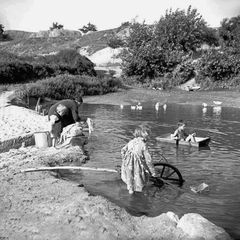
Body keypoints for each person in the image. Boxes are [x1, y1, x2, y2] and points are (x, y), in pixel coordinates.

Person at [121, 125, 157, 194]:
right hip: (138, 167)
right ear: (143, 134)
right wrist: (153, 172)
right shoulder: (143, 144)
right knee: (145, 183)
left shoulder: (131, 142)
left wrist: (125, 161)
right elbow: (148, 160)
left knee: (130, 185)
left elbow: (122, 151)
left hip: (128, 166)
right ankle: (144, 198)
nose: (148, 136)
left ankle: (131, 198)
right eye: (147, 134)